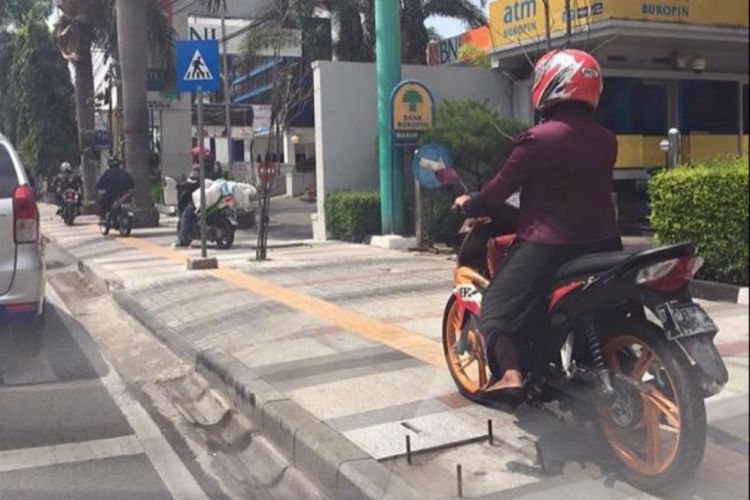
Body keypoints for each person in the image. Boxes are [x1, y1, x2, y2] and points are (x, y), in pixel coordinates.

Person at [453, 49, 622, 401]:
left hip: (548, 247)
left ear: (551, 83)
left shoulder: (538, 139)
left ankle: (512, 375)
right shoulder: (607, 139)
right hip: (604, 245)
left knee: (495, 307)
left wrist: (470, 202)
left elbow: (498, 191)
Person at [174, 148, 221, 248]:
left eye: (195, 156)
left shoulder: (197, 169)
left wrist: (181, 185)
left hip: (199, 197)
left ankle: (182, 240)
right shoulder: (216, 167)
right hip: (215, 196)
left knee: (186, 215)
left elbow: (191, 183)